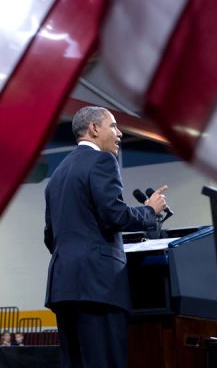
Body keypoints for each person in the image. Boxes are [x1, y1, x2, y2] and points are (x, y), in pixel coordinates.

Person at [45, 106, 168, 368]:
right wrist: (149, 211)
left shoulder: (56, 176)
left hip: (63, 286)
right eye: (113, 126)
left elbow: (50, 236)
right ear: (93, 129)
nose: (120, 133)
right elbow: (115, 215)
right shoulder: (102, 161)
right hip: (99, 286)